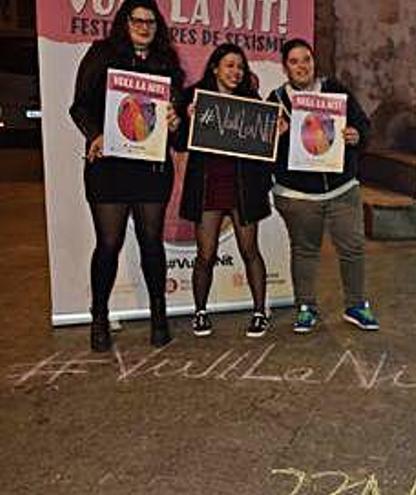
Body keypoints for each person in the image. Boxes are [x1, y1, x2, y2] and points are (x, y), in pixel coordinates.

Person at [69, 0, 184, 352]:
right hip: (109, 167)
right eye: (137, 20)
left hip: (150, 168)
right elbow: (79, 107)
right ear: (124, 22)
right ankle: (99, 318)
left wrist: (176, 122)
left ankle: (159, 317)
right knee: (109, 243)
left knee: (152, 242)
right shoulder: (101, 54)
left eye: (151, 21)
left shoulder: (167, 63)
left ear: (158, 26)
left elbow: (176, 127)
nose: (144, 26)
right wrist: (95, 135)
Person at [268, 38, 378, 334]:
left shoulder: (335, 91)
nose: (302, 66)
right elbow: (263, 149)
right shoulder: (275, 100)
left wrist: (357, 136)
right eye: (294, 61)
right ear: (285, 67)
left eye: (307, 59)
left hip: (341, 188)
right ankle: (305, 307)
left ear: (314, 62)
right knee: (304, 251)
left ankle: (356, 305)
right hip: (297, 194)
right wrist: (278, 137)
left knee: (353, 247)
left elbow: (363, 126)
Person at [177, 43, 274, 338]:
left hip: (242, 187)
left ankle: (259, 312)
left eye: (240, 67)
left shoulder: (251, 100)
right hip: (208, 186)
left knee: (249, 250)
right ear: (215, 67)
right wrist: (187, 121)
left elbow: (264, 147)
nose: (236, 71)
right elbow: (178, 143)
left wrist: (276, 132)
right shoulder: (194, 98)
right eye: (230, 65)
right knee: (205, 253)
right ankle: (200, 312)